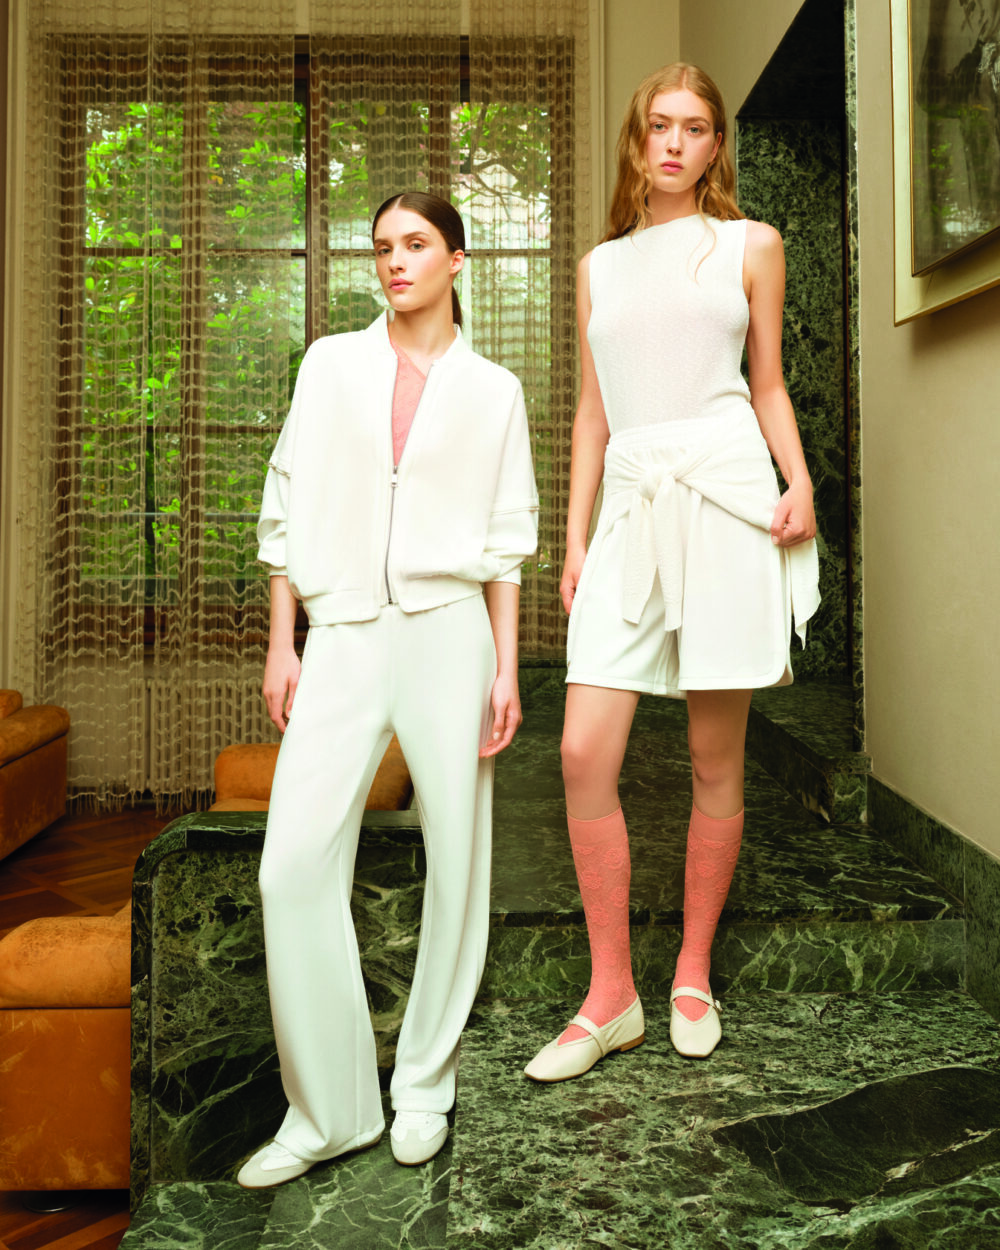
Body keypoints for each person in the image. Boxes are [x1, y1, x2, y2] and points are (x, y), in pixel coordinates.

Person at [524, 63, 819, 1082]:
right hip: (630, 508)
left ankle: (691, 972)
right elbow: (592, 412)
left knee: (712, 755)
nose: (675, 144)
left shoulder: (751, 245)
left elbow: (766, 383)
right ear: (636, 138)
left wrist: (799, 479)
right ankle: (611, 995)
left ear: (715, 146)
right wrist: (574, 539)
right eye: (660, 125)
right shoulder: (599, 266)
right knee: (581, 753)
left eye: (695, 128)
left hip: (725, 499)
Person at [238, 191, 538, 1187]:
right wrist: (284, 642)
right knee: (290, 866)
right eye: (381, 247)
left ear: (457, 259)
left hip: (452, 633)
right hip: (344, 633)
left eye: (415, 244)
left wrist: (505, 665)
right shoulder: (331, 364)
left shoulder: (493, 390)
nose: (395, 262)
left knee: (458, 861)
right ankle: (328, 1110)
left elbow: (507, 540)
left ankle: (423, 1085)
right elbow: (284, 504)